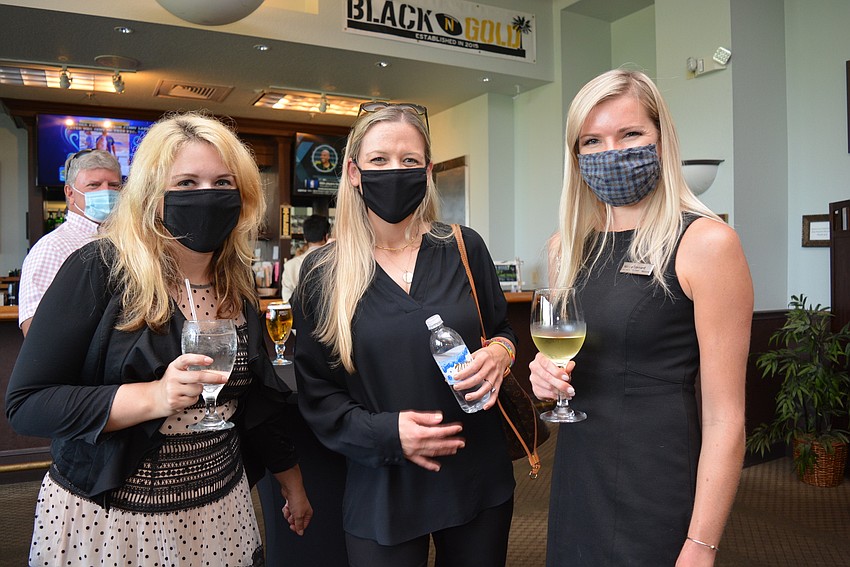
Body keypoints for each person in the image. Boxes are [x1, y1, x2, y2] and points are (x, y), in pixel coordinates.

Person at [6, 112, 312, 566]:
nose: (206, 196)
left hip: (219, 509)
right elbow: (28, 403)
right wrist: (153, 397)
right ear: (150, 194)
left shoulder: (236, 280)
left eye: (222, 182)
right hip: (115, 519)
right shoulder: (99, 269)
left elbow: (253, 402)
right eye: (186, 183)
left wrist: (291, 481)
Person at [528, 69, 753, 566]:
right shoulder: (565, 248)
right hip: (580, 473)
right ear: (577, 155)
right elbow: (567, 368)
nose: (611, 152)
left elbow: (725, 418)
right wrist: (545, 378)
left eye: (630, 134)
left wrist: (701, 543)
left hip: (657, 479)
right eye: (593, 141)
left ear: (661, 137)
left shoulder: (708, 244)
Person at [293, 102, 517, 567]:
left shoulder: (463, 245)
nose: (395, 171)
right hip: (383, 483)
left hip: (476, 475)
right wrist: (387, 433)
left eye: (409, 161)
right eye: (379, 160)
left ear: (428, 171)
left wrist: (499, 353)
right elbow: (317, 394)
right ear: (354, 172)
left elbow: (501, 330)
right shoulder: (323, 274)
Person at [18, 149, 122, 336]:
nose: (106, 192)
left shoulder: (125, 242)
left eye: (114, 185)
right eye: (94, 185)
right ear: (70, 192)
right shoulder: (52, 248)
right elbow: (35, 333)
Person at [280, 214, 330, 302]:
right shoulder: (335, 262)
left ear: (305, 238)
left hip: (298, 315)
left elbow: (287, 302)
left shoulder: (290, 266)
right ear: (326, 236)